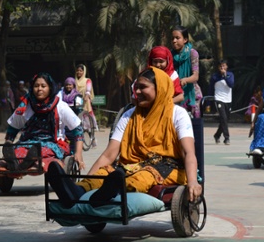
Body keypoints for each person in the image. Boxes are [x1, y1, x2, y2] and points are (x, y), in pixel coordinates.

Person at [46, 67, 202, 208]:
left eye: (143, 87)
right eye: (136, 88)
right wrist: (88, 179)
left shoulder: (177, 114)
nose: (138, 92)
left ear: (160, 89)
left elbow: (188, 152)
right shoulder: (129, 115)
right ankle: (76, 192)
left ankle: (107, 194)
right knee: (104, 173)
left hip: (167, 168)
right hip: (129, 167)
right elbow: (109, 154)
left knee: (142, 177)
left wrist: (193, 182)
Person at [2, 72, 84, 171]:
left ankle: (25, 163)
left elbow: (78, 129)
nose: (39, 89)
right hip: (27, 143)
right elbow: (13, 128)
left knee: (42, 152)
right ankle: (18, 163)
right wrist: (9, 143)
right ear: (32, 88)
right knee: (18, 151)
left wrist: (78, 153)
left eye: (43, 86)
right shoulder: (24, 106)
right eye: (36, 86)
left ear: (50, 88)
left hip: (53, 144)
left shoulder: (60, 106)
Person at [171, 26, 201, 118]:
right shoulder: (170, 55)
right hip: (176, 94)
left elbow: (195, 76)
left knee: (191, 126)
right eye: (172, 38)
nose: (174, 41)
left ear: (185, 39)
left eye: (177, 38)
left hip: (191, 95)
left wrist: (185, 80)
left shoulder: (192, 53)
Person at [209, 59, 234, 145]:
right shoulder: (214, 77)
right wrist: (209, 103)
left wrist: (225, 75)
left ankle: (217, 135)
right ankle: (227, 138)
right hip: (219, 99)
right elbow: (211, 89)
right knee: (223, 118)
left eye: (224, 65)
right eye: (220, 66)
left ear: (226, 67)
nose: (222, 67)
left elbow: (231, 84)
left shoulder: (230, 75)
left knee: (226, 119)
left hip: (228, 100)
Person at [75, 64, 98, 146]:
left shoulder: (87, 80)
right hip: (77, 101)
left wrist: (86, 96)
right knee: (79, 122)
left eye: (81, 71)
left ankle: (93, 138)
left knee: (88, 122)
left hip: (85, 101)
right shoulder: (74, 81)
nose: (79, 72)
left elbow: (88, 89)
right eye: (77, 70)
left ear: (84, 71)